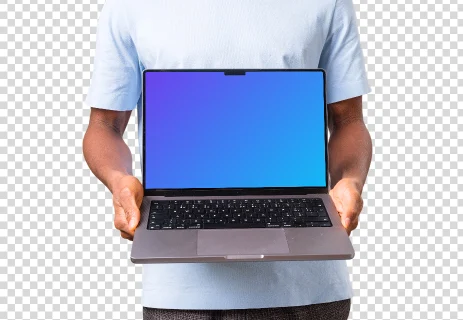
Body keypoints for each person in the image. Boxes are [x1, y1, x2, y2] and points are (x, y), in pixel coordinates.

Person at [83, 0, 372, 319]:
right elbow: (104, 126)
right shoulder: (129, 6)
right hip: (181, 296)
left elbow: (348, 121)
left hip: (306, 291)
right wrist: (119, 179)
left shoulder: (328, 4)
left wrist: (350, 181)